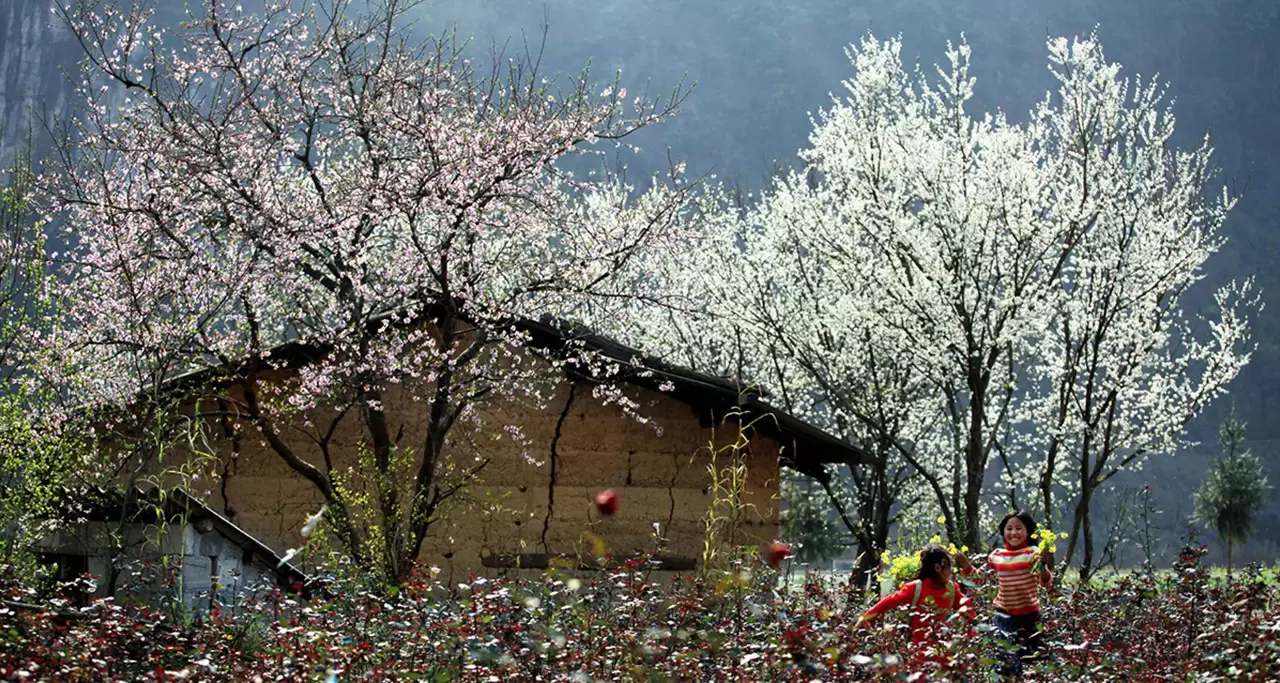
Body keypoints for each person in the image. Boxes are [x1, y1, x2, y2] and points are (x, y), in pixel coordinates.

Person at [955, 510, 1053, 678]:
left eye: (1019, 528)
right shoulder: (996, 555)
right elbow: (979, 579)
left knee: (1030, 659)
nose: (1014, 533)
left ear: (1028, 531)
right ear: (1003, 532)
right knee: (1005, 659)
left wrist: (1043, 565)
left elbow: (1045, 582)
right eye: (1009, 528)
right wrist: (965, 564)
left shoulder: (1033, 553)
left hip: (1030, 616)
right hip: (1003, 616)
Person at [858, 545, 975, 668]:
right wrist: (864, 620)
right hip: (920, 655)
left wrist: (973, 634)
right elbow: (888, 602)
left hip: (945, 653)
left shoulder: (952, 589)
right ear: (937, 568)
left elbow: (969, 612)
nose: (952, 570)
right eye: (949, 567)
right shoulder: (916, 587)